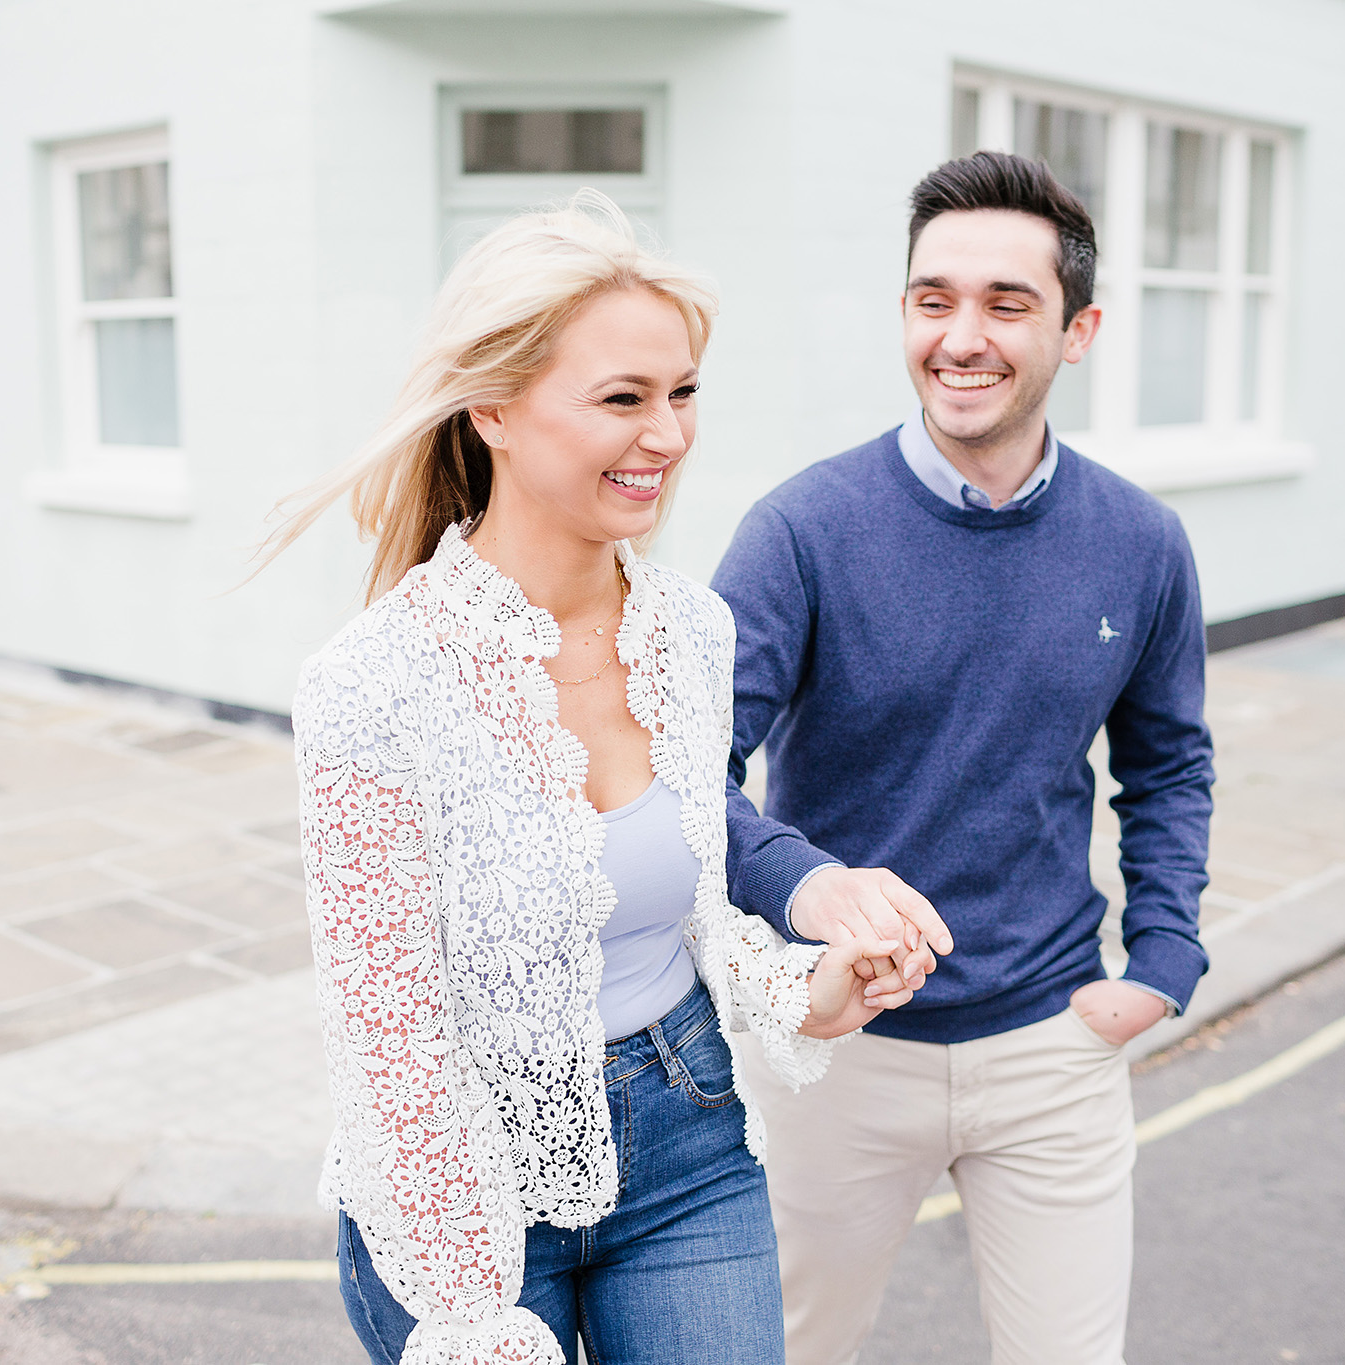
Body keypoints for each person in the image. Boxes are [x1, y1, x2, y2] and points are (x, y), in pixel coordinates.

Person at [266, 193, 917, 1365]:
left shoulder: (693, 633)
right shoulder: (369, 684)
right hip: (459, 1192)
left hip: (691, 1142)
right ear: (494, 410)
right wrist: (470, 1315)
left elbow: (692, 899)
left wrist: (806, 990)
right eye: (622, 398)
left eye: (681, 395)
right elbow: (390, 1043)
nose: (665, 434)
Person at [712, 151, 1216, 1365]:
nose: (961, 337)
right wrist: (798, 892)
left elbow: (1168, 765)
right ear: (903, 315)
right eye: (933, 300)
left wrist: (1162, 952)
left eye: (1005, 304)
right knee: (786, 1352)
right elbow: (682, 776)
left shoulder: (1141, 544)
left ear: (1076, 329)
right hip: (835, 1051)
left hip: (1051, 1041)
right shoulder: (800, 531)